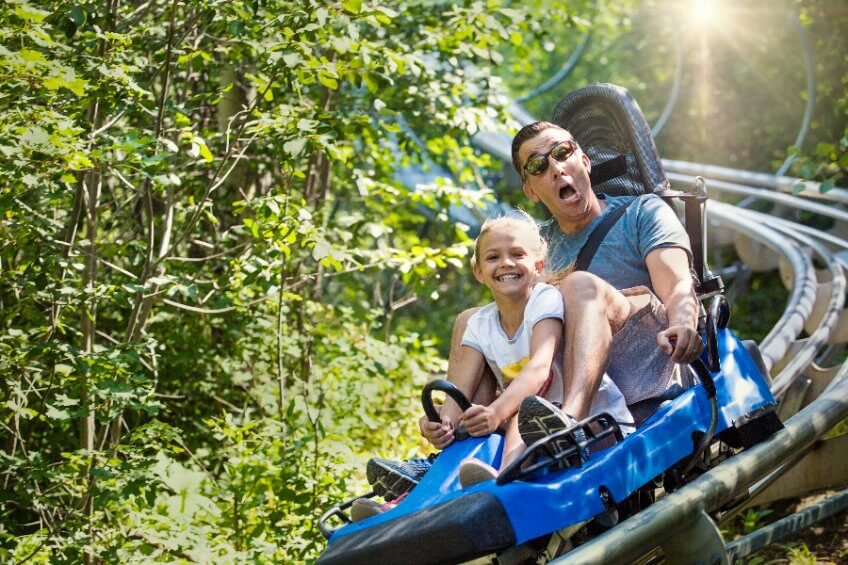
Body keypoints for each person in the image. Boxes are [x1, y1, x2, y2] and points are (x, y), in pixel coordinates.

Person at [367, 121, 702, 500]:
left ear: (584, 160)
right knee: (470, 320)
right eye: (539, 166)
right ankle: (451, 451)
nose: (555, 168)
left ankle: (570, 423)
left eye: (562, 153)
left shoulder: (642, 211)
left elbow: (678, 284)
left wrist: (684, 322)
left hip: (643, 357)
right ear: (530, 189)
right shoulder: (533, 244)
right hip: (557, 371)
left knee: (577, 285)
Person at [351, 214, 633, 521]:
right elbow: (459, 394)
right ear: (479, 272)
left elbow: (539, 368)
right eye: (493, 257)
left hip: (589, 424)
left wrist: (497, 412)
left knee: (522, 414)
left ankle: (503, 485)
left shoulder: (544, 300)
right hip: (533, 429)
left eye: (517, 254)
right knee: (469, 430)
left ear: (537, 265)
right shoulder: (480, 324)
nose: (506, 263)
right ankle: (404, 507)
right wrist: (441, 424)